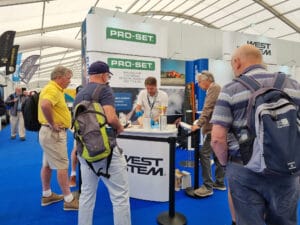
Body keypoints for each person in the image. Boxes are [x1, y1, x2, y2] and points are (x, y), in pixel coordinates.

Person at [210, 44, 300, 225]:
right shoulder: (293, 85)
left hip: (245, 169)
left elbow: (217, 138)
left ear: (236, 62)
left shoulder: (230, 89)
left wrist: (225, 164)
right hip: (287, 169)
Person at [74, 61, 131, 225]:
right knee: (120, 195)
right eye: (108, 75)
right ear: (103, 75)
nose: (108, 78)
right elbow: (111, 117)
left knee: (86, 193)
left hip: (84, 150)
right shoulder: (105, 90)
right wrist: (120, 127)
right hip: (106, 151)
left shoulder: (80, 93)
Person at [38, 65, 79, 210]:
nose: (69, 81)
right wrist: (53, 123)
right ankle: (69, 199)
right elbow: (45, 105)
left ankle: (47, 194)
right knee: (62, 165)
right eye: (68, 78)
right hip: (53, 134)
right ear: (59, 77)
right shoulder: (52, 89)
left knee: (47, 165)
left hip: (48, 133)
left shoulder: (54, 89)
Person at [190, 71, 226, 197]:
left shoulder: (214, 88)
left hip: (214, 129)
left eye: (200, 81)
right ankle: (220, 183)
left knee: (204, 154)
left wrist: (198, 124)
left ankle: (207, 186)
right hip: (218, 128)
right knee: (217, 156)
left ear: (207, 80)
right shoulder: (216, 88)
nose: (198, 84)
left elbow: (208, 108)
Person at [69, 85, 83, 188]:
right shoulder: (75, 105)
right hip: (79, 131)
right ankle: (73, 174)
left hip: (91, 131)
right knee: (76, 150)